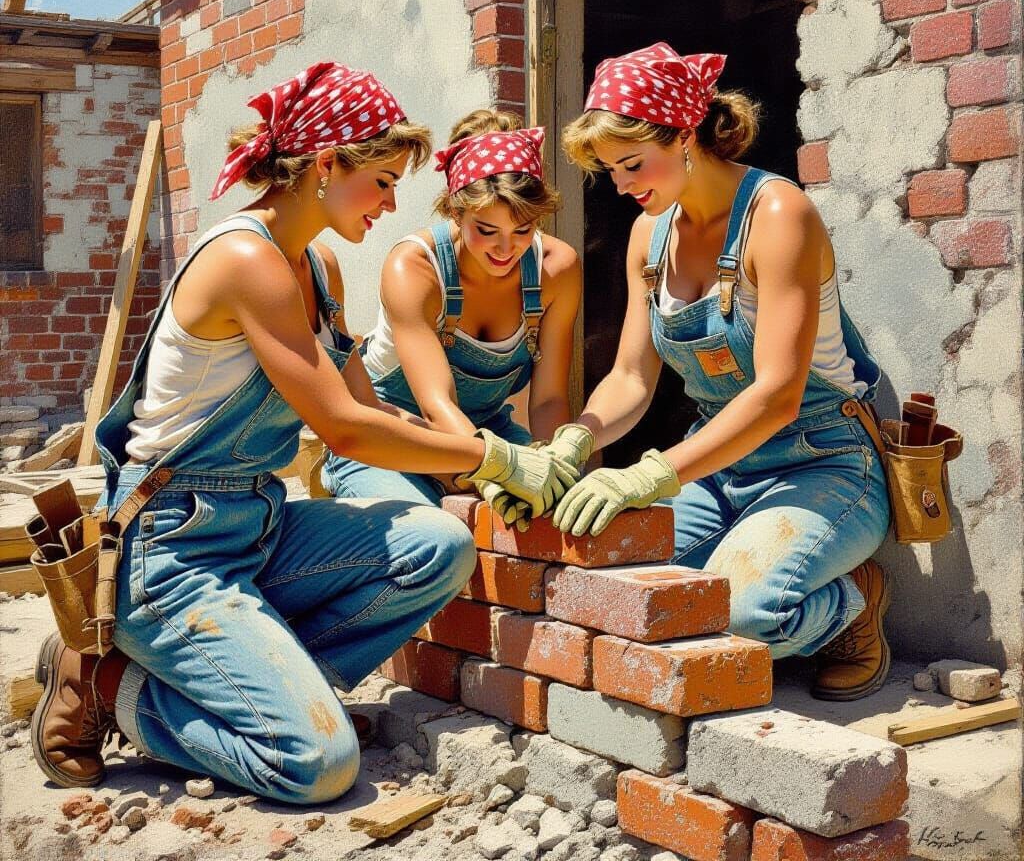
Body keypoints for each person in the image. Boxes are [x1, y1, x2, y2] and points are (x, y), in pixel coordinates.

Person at [30, 63, 576, 802]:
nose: (391, 202)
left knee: (437, 547)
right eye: (382, 179)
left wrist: (506, 460)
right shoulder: (246, 259)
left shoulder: (317, 266)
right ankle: (112, 682)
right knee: (318, 766)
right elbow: (347, 432)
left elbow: (371, 406)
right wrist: (494, 456)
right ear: (324, 166)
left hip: (256, 525)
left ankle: (258, 692)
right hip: (169, 547)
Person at [550, 43, 892, 701]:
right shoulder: (650, 235)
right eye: (608, 170)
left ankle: (852, 607)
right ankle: (751, 569)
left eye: (630, 163)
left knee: (733, 614)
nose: (621, 186)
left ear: (683, 136)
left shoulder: (777, 214)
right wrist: (579, 439)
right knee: (622, 584)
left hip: (823, 459)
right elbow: (629, 376)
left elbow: (775, 397)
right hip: (718, 466)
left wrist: (651, 474)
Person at [321, 109, 582, 523]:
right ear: (455, 212)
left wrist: (549, 466)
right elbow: (435, 404)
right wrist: (496, 469)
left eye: (522, 230)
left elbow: (550, 399)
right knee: (431, 530)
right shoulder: (414, 268)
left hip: (488, 430)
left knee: (562, 515)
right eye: (487, 229)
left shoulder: (556, 269)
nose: (505, 249)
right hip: (393, 435)